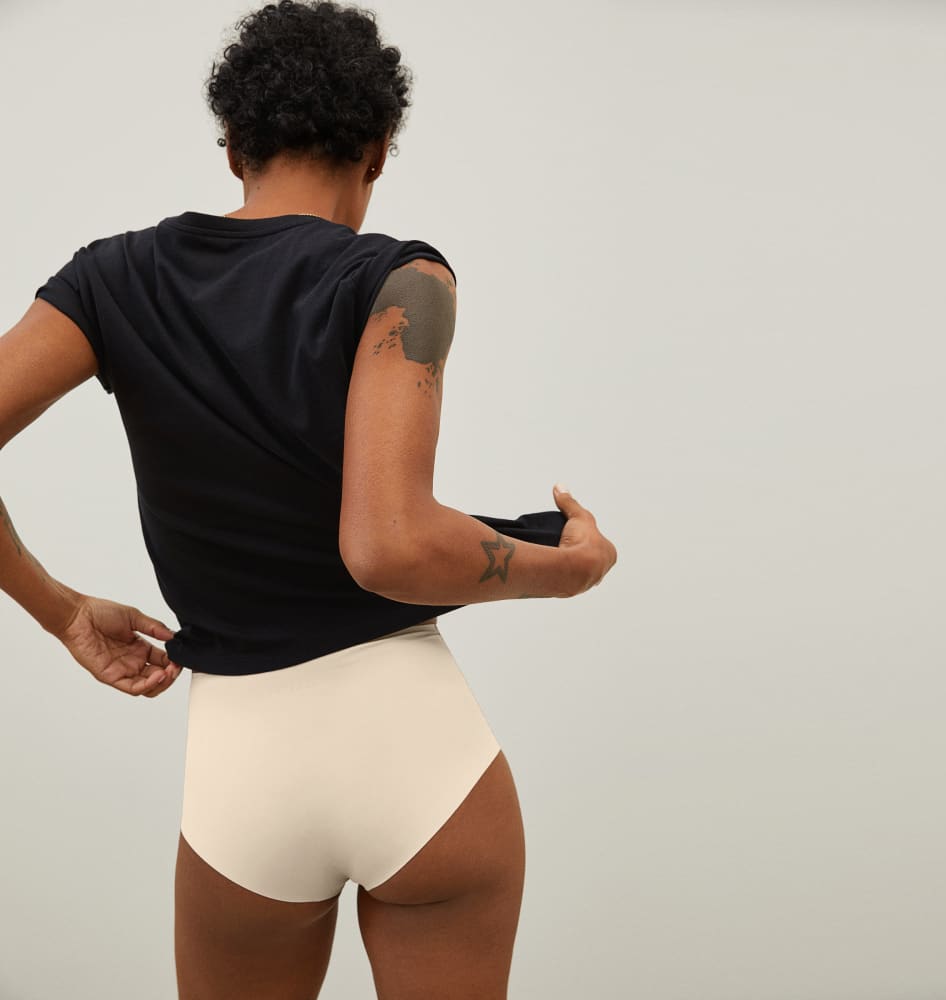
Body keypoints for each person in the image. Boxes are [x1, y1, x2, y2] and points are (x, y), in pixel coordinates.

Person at [0, 1, 616, 997]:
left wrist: (57, 609)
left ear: (233, 146)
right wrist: (566, 567)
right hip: (420, 763)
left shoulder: (113, 279)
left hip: (243, 773)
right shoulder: (402, 280)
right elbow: (388, 546)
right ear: (376, 151)